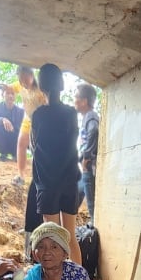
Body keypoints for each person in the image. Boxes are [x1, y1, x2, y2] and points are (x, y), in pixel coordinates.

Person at [29, 63, 82, 264]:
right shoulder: (71, 113)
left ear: (41, 86)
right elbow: (73, 142)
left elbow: (35, 146)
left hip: (47, 182)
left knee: (51, 238)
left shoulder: (39, 115)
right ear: (61, 85)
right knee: (70, 236)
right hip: (69, 180)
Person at [74, 83, 100, 222]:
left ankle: (95, 234)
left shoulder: (91, 116)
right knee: (75, 197)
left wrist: (87, 157)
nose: (74, 100)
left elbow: (94, 131)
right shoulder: (86, 117)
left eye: (76, 97)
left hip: (89, 167)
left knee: (92, 206)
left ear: (84, 101)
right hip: (85, 169)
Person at [0, 87, 23, 161]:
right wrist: (2, 119)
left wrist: (14, 128)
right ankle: (3, 154)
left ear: (15, 97)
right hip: (2, 139)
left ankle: (16, 155)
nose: (10, 96)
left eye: (12, 94)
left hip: (15, 140)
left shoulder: (20, 111)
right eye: (7, 93)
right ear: (2, 95)